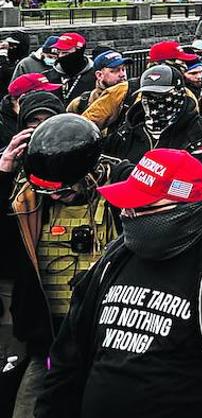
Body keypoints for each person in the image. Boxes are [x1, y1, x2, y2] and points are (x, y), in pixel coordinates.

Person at [38, 148, 202, 417]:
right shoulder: (116, 256)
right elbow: (68, 357)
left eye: (142, 206)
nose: (127, 214)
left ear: (183, 207)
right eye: (126, 205)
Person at [0, 114, 117, 415]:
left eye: (62, 189)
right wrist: (3, 174)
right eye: (46, 189)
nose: (53, 194)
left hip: (106, 344)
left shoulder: (119, 195)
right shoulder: (25, 203)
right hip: (48, 343)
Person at [109, 64, 202, 208]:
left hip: (193, 221)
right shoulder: (126, 134)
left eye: (161, 96)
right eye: (148, 95)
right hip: (136, 221)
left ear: (179, 94)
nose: (153, 101)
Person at [67, 51, 128, 115]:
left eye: (123, 69)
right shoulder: (79, 104)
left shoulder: (135, 97)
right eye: (115, 71)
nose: (122, 74)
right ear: (99, 75)